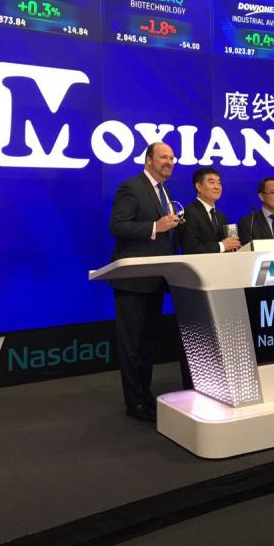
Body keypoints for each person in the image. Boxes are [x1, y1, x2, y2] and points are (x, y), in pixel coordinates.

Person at [109, 142, 181, 422]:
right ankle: (134, 402)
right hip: (133, 281)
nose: (169, 162)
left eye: (172, 158)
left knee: (147, 343)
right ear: (148, 160)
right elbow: (117, 226)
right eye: (164, 157)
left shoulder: (164, 191)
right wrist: (155, 227)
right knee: (132, 346)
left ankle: (144, 395)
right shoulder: (131, 187)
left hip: (155, 279)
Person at [178, 167, 241, 254]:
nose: (217, 187)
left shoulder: (221, 216)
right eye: (212, 182)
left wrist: (233, 246)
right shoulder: (188, 213)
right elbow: (190, 248)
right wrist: (222, 246)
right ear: (198, 187)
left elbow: (226, 245)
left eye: (219, 183)